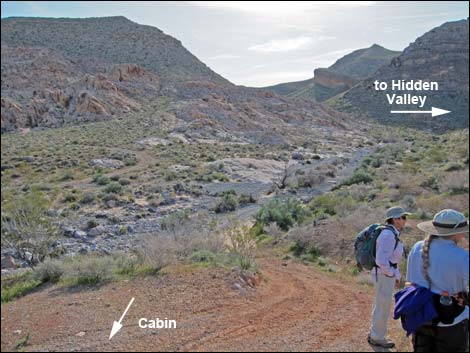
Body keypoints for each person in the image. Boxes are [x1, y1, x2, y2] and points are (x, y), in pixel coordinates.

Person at [406, 209, 469, 352]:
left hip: (422, 316)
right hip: (451, 319)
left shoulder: (417, 247)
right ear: (455, 232)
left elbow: (410, 282)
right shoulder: (461, 256)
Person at [368, 206, 410, 348]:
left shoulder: (391, 233)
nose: (405, 220)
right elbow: (381, 260)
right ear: (395, 219)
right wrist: (391, 274)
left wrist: (395, 275)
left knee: (381, 304)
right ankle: (377, 337)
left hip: (383, 275)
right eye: (403, 217)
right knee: (383, 306)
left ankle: (375, 334)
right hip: (383, 275)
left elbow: (389, 260)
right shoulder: (388, 235)